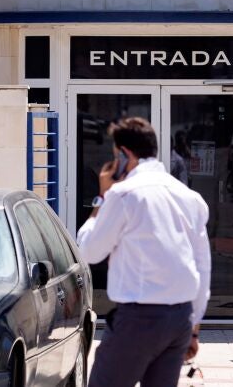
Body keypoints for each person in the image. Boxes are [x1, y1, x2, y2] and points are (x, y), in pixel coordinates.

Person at [77, 117, 211, 387]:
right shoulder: (189, 197)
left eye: (115, 155)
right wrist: (194, 328)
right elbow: (202, 266)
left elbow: (89, 251)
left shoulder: (123, 194)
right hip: (180, 320)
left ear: (124, 155)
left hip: (139, 319)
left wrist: (102, 197)